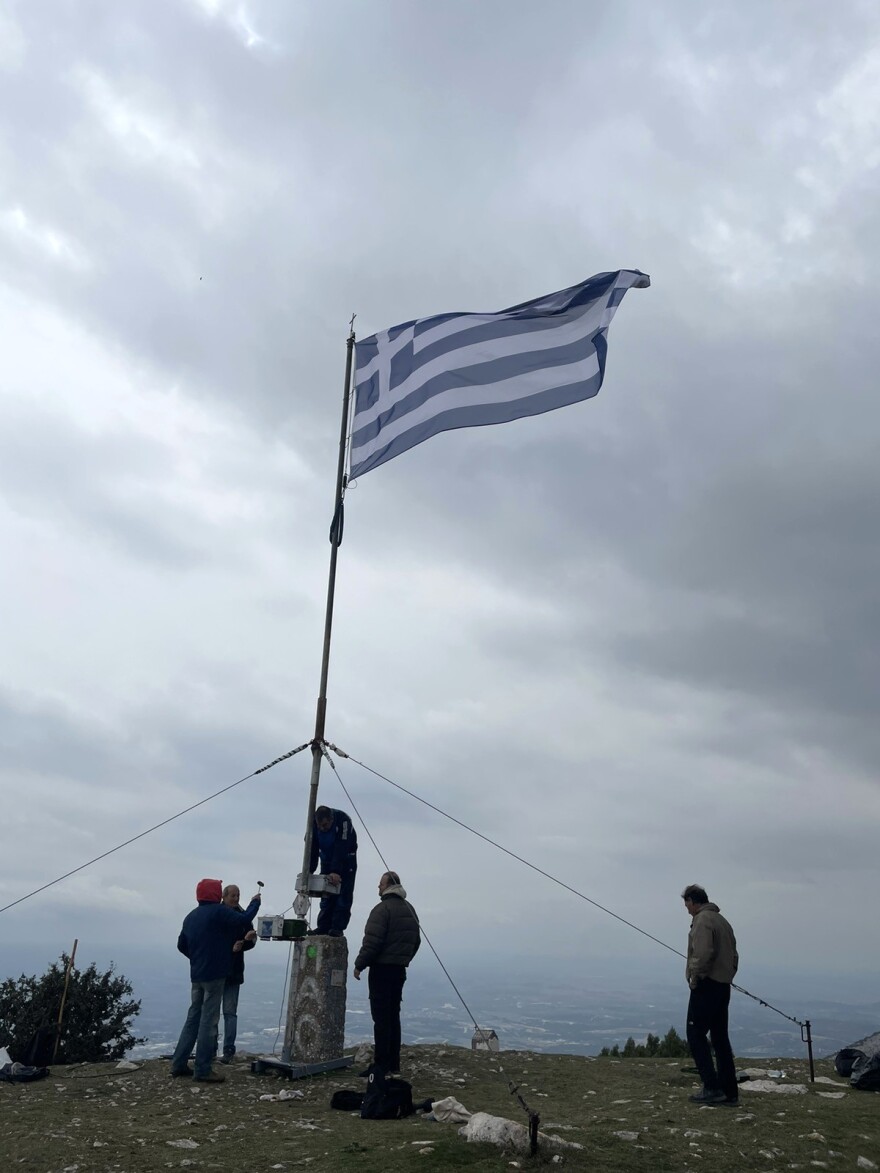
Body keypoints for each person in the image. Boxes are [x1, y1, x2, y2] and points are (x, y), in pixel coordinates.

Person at [170, 878, 261, 1083]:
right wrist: (256, 902)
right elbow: (244, 917)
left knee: (193, 1017)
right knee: (209, 1021)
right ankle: (202, 1069)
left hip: (197, 974)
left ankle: (178, 1063)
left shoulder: (190, 916)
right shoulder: (218, 912)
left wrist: (197, 959)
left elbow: (181, 945)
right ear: (215, 894)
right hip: (215, 974)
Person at [353, 871, 420, 1075]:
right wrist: (404, 959)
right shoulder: (410, 909)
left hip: (381, 970)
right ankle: (393, 1065)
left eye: (380, 884)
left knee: (381, 1019)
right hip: (399, 970)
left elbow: (372, 941)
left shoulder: (382, 909)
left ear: (389, 885)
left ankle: (380, 1066)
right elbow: (415, 941)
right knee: (393, 1017)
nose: (378, 888)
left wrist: (359, 964)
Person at [682, 883, 739, 1106]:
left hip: (707, 985)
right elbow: (734, 955)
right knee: (720, 1038)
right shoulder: (723, 921)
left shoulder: (703, 920)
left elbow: (703, 953)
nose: (686, 909)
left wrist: (695, 977)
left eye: (686, 903)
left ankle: (712, 1087)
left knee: (695, 1034)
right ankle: (729, 1092)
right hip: (723, 986)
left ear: (693, 901)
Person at [217, 884, 257, 1064]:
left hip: (233, 970)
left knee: (229, 1012)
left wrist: (245, 942)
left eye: (238, 895)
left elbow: (251, 941)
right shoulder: (220, 914)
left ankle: (228, 1051)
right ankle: (211, 1049)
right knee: (214, 1012)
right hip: (219, 969)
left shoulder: (242, 915)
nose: (236, 898)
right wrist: (235, 945)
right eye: (233, 895)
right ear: (224, 896)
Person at [309, 805, 358, 936]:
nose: (322, 828)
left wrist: (336, 870)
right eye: (320, 826)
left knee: (343, 894)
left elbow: (342, 845)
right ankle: (323, 926)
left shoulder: (343, 820)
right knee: (326, 894)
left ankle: (338, 926)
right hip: (326, 859)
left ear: (331, 820)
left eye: (325, 825)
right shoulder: (313, 824)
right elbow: (312, 847)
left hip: (346, 860)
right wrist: (309, 871)